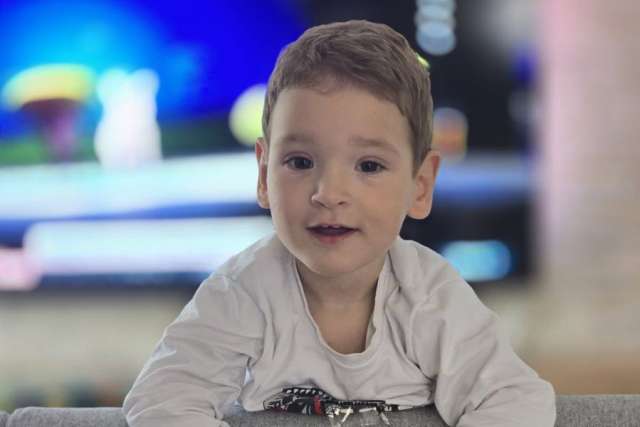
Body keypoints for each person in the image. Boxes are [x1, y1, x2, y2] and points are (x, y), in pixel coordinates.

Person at [123, 20, 556, 427]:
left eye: (368, 165)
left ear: (420, 186)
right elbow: (163, 398)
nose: (329, 193)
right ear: (264, 175)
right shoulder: (243, 292)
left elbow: (515, 399)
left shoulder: (431, 296)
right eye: (300, 162)